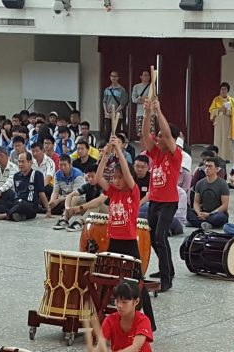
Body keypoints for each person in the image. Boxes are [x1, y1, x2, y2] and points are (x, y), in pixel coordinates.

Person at [96, 135, 155, 329]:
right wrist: (105, 154)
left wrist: (119, 151)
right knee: (107, 279)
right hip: (114, 240)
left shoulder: (133, 191)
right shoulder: (113, 192)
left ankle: (150, 322)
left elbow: (129, 178)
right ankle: (102, 316)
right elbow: (98, 178)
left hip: (129, 242)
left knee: (137, 281)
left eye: (119, 177)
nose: (116, 180)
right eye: (115, 177)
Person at [141, 97, 182, 293]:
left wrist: (159, 110)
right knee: (154, 237)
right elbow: (144, 136)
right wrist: (148, 112)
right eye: (157, 135)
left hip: (169, 202)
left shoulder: (175, 154)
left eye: (161, 136)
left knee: (160, 236)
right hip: (155, 201)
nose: (157, 138)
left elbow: (166, 132)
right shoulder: (156, 153)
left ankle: (167, 279)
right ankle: (168, 269)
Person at [87, 280, 156, 352]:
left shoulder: (143, 320)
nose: (119, 305)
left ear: (136, 302)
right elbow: (101, 346)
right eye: (117, 301)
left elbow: (136, 347)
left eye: (124, 302)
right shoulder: (110, 320)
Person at [0, 151, 50, 221]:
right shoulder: (16, 176)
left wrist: (48, 210)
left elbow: (41, 193)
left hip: (30, 206)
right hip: (16, 203)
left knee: (21, 204)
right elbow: (16, 194)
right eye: (19, 162)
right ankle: (16, 215)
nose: (20, 164)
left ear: (30, 162)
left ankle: (4, 215)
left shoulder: (37, 174)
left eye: (23, 162)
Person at [62, 166, 109, 232]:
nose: (90, 179)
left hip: (105, 217)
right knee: (76, 198)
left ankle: (80, 222)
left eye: (92, 177)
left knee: (97, 203)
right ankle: (64, 219)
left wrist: (80, 208)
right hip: (91, 215)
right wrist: (67, 208)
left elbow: (99, 201)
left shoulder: (105, 186)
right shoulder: (87, 186)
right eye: (88, 176)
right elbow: (70, 195)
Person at [187, 157, 229, 230]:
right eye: (206, 166)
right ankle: (206, 224)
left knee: (221, 217)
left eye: (210, 166)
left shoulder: (223, 184)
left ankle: (198, 223)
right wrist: (198, 213)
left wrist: (209, 214)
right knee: (187, 212)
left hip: (216, 213)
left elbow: (225, 205)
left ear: (217, 169)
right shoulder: (199, 183)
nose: (207, 168)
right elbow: (196, 202)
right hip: (203, 212)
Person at [208, 82, 234, 163]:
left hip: (227, 122)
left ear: (227, 90)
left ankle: (226, 157)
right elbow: (211, 110)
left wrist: (227, 111)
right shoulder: (216, 99)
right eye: (222, 89)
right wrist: (219, 110)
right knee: (218, 139)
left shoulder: (231, 100)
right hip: (218, 121)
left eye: (225, 89)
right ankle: (217, 156)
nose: (223, 90)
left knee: (226, 140)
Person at [50, 155, 85, 224]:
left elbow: (75, 193)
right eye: (60, 165)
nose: (62, 167)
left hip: (79, 197)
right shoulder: (57, 174)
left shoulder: (78, 174)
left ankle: (64, 218)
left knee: (74, 198)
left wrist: (59, 200)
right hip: (64, 197)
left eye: (65, 165)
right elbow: (55, 191)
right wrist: (52, 202)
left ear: (70, 165)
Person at [102, 71, 129, 140]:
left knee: (116, 133)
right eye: (112, 76)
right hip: (108, 115)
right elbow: (104, 101)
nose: (113, 78)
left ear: (118, 78)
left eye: (115, 76)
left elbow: (122, 104)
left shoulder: (122, 90)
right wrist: (106, 112)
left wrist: (115, 112)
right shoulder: (107, 89)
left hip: (117, 115)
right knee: (107, 132)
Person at [131, 70, 152, 143]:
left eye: (148, 75)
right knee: (140, 133)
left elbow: (151, 99)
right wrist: (144, 100)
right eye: (145, 75)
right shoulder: (136, 87)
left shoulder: (152, 87)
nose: (147, 77)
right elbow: (134, 99)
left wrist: (141, 98)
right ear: (141, 77)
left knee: (150, 133)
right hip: (140, 113)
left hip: (150, 113)